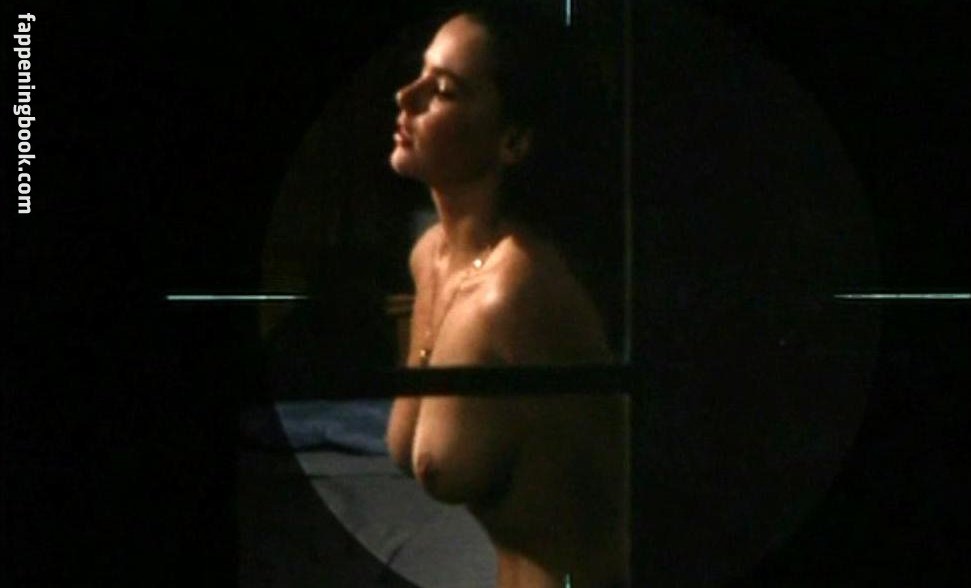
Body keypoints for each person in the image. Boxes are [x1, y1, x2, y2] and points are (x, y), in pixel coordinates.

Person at [385, 4, 629, 587]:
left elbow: (620, 502)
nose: (405, 96)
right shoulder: (429, 257)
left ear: (513, 140)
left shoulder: (518, 293)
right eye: (420, 74)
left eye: (443, 90)